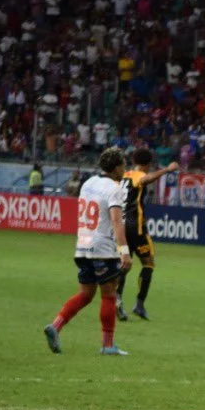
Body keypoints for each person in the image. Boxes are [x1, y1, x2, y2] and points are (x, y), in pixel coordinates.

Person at [43, 147, 132, 356]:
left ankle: (55, 327)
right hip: (103, 249)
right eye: (123, 165)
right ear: (117, 167)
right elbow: (117, 222)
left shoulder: (88, 183)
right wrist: (125, 252)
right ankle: (107, 345)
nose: (124, 169)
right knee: (109, 294)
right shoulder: (114, 188)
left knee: (86, 294)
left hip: (83, 246)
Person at [115, 149, 178, 321]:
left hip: (121, 224)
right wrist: (167, 170)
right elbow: (145, 179)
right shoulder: (137, 175)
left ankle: (117, 300)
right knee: (148, 263)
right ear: (148, 164)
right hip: (135, 227)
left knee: (124, 264)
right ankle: (139, 305)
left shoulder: (122, 176)